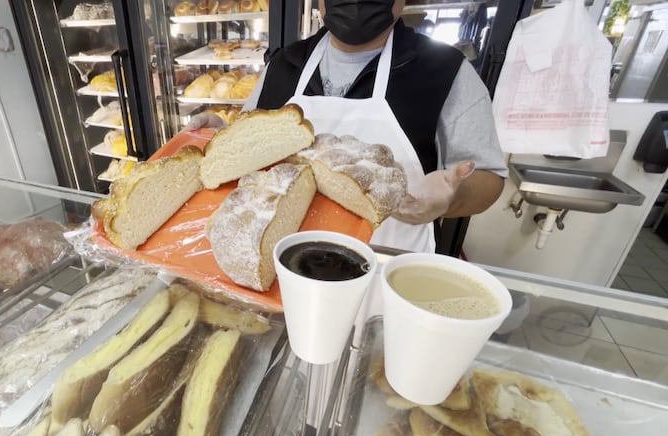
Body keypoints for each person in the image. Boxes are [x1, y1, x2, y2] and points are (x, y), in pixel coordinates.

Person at [184, 0, 507, 253]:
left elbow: (490, 179)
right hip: (287, 269)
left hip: (388, 271)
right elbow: (253, 149)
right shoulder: (283, 66)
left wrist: (451, 198)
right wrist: (222, 132)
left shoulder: (445, 72)